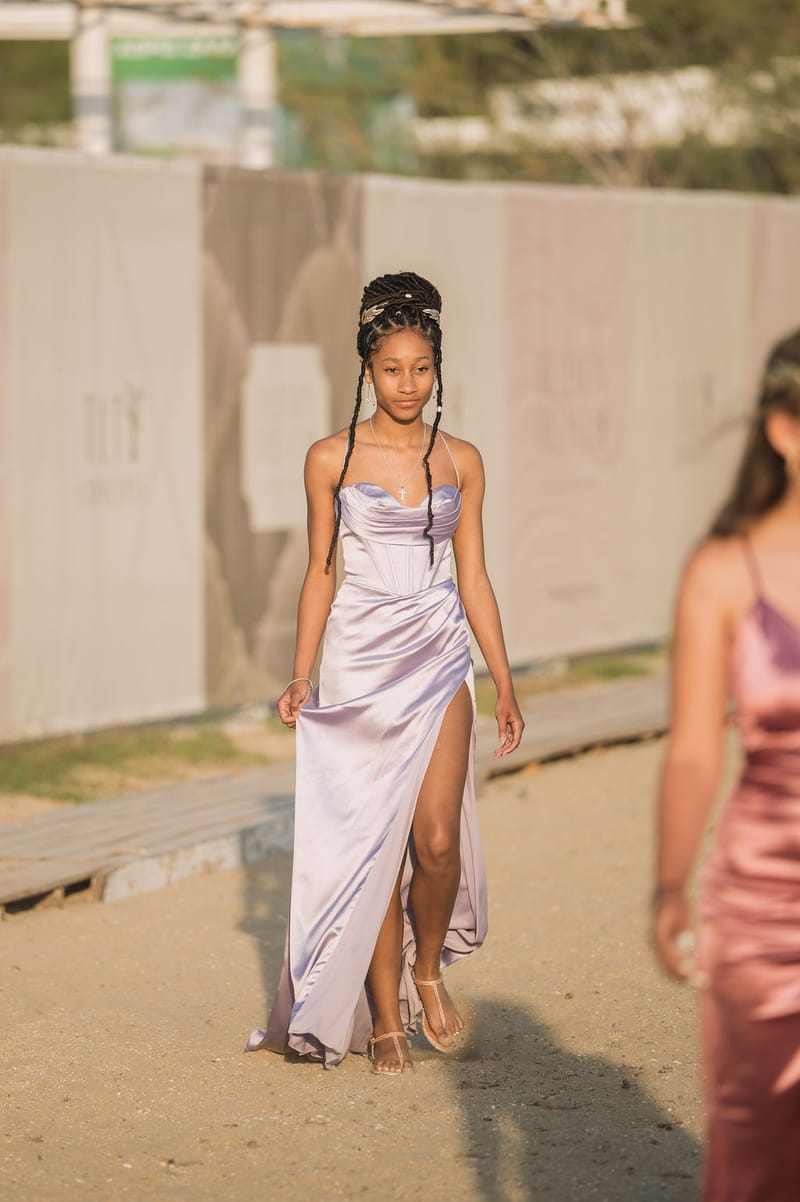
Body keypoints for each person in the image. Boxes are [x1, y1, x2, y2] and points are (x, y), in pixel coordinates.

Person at [246, 271, 524, 1074]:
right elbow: (321, 572)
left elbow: (474, 577)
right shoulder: (329, 458)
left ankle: (425, 967)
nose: (409, 382)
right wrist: (302, 674)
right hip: (361, 662)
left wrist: (503, 680)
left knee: (437, 845)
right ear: (367, 369)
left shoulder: (463, 461)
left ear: (439, 368)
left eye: (422, 367)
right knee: (374, 850)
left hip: (439, 654)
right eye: (393, 367)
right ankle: (381, 1010)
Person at [653, 329, 800, 1200]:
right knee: (757, 1149)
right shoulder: (720, 574)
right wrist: (670, 886)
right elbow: (695, 747)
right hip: (761, 908)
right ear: (784, 430)